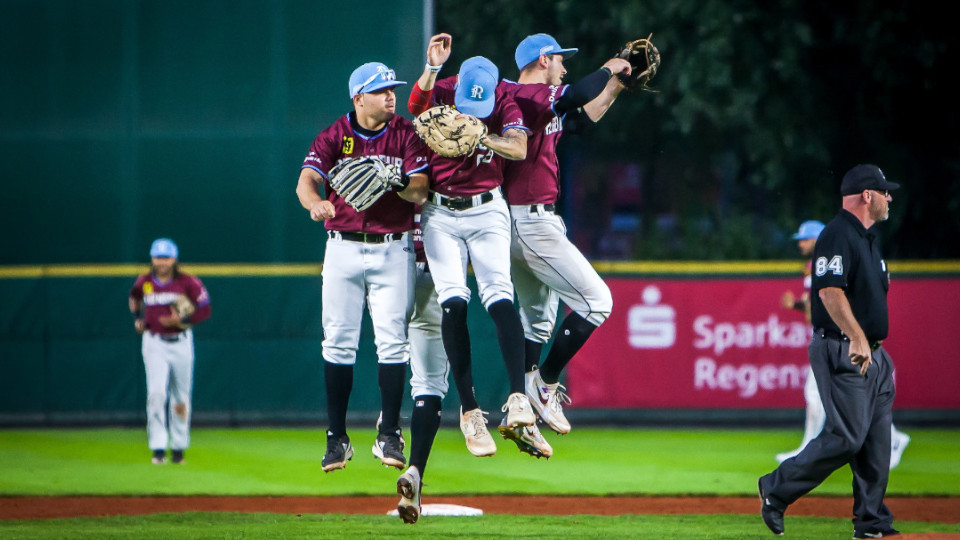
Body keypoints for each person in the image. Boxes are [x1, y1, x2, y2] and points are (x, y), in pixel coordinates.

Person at [495, 33, 632, 448]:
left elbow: (581, 118)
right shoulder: (523, 95)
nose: (565, 67)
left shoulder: (538, 103)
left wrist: (617, 85)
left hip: (527, 221)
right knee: (598, 302)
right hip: (529, 221)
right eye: (560, 60)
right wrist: (609, 65)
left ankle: (523, 414)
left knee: (538, 320)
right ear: (543, 59)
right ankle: (545, 384)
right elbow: (577, 93)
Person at [406, 38, 536, 461]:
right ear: (458, 84)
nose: (468, 110)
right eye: (467, 104)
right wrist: (430, 66)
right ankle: (469, 410)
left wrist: (484, 134)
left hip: (487, 210)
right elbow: (414, 105)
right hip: (441, 213)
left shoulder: (503, 100)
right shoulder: (443, 89)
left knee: (500, 297)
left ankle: (518, 398)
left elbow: (518, 147)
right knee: (453, 304)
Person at [296, 61, 429, 473]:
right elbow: (305, 181)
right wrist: (315, 202)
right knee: (337, 343)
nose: (391, 94)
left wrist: (391, 180)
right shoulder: (336, 135)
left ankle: (389, 432)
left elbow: (421, 190)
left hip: (393, 246)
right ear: (359, 98)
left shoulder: (406, 133)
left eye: (392, 88)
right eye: (381, 89)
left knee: (393, 343)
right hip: (342, 247)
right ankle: (336, 439)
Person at [759, 164, 903, 538]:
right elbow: (829, 292)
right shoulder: (837, 235)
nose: (890, 198)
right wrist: (856, 337)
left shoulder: (869, 239)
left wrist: (871, 345)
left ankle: (872, 522)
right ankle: (776, 488)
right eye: (884, 192)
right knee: (847, 437)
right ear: (867, 195)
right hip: (843, 349)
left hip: (874, 355)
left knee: (876, 444)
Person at [776, 221, 910, 467]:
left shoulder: (822, 265)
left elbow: (817, 309)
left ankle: (808, 450)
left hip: (842, 341)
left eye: (805, 239)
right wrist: (798, 305)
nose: (800, 243)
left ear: (818, 239)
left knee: (823, 393)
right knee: (856, 395)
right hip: (850, 339)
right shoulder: (836, 262)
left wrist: (800, 305)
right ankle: (893, 438)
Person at [129, 238, 211, 465]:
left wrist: (183, 318)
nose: (161, 262)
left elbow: (205, 309)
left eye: (165, 257)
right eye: (157, 257)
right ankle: (157, 447)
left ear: (174, 259)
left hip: (181, 341)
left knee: (180, 398)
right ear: (152, 258)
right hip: (154, 342)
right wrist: (137, 319)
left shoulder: (187, 282)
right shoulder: (145, 281)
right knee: (156, 394)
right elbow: (134, 296)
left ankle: (178, 448)